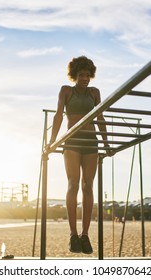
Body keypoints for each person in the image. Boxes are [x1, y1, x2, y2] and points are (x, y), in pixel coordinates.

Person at [46, 56, 109, 254]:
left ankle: (85, 235)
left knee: (88, 186)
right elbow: (58, 115)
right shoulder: (66, 90)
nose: (85, 78)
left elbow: (100, 117)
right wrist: (51, 141)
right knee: (73, 183)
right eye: (81, 75)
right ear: (75, 75)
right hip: (72, 140)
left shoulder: (94, 92)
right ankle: (73, 234)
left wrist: (107, 143)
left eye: (88, 75)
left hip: (91, 142)